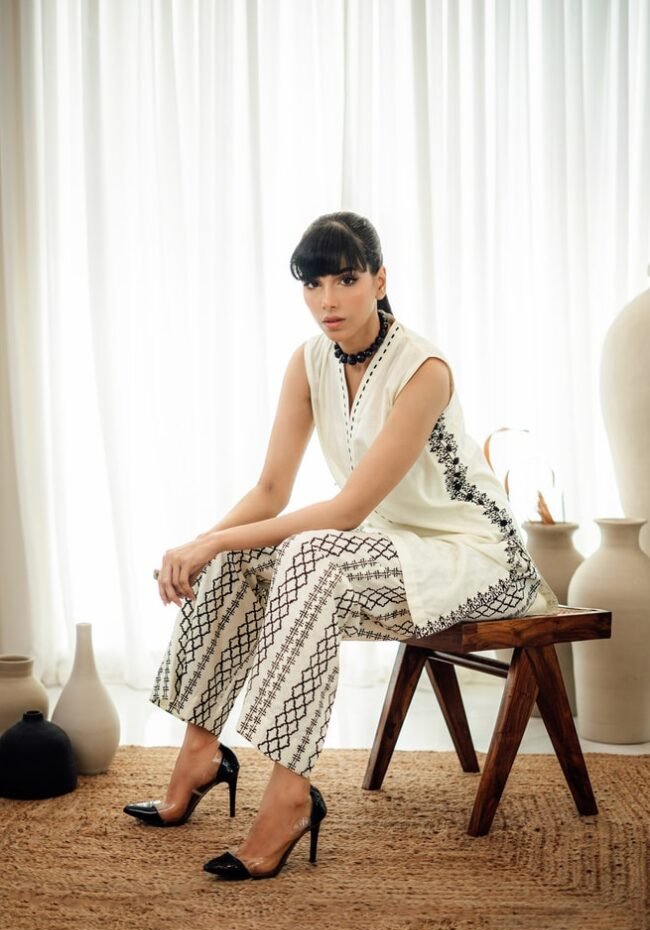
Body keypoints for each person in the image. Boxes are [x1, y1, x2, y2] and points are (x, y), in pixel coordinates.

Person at [123, 211, 558, 881]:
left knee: (312, 552)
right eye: (313, 284)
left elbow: (347, 510)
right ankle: (199, 755)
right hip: (387, 552)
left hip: (473, 557)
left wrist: (210, 541)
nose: (328, 300)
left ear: (380, 280)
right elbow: (270, 489)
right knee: (239, 556)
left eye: (346, 280)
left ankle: (289, 795)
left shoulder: (423, 369)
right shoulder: (309, 363)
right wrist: (203, 543)